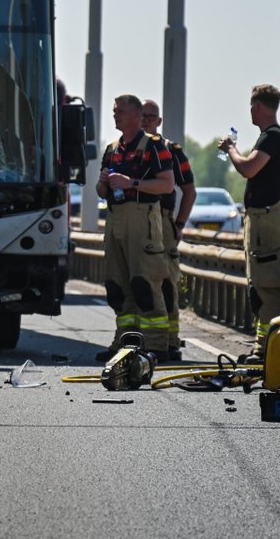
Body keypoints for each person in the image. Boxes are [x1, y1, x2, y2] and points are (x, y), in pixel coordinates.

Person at [94, 94, 176, 361]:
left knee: (145, 282)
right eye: (114, 110)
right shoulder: (113, 148)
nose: (115, 115)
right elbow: (100, 190)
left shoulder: (154, 146)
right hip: (115, 217)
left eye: (119, 111)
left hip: (142, 217)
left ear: (135, 115)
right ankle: (126, 342)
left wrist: (132, 183)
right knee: (117, 285)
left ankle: (156, 344)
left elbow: (166, 185)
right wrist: (105, 182)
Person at [218, 83, 280, 363]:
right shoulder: (279, 139)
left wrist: (231, 150)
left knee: (266, 288)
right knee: (262, 286)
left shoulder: (270, 138)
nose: (250, 110)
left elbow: (248, 167)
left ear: (258, 107)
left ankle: (269, 351)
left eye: (252, 105)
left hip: (265, 222)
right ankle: (265, 349)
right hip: (268, 218)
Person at [142, 99, 197, 361]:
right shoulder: (129, 149)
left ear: (159, 121)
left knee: (166, 282)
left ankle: (170, 341)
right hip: (137, 221)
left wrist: (179, 224)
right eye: (142, 116)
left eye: (151, 117)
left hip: (163, 222)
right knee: (138, 281)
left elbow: (189, 191)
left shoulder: (172, 151)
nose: (146, 121)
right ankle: (141, 338)